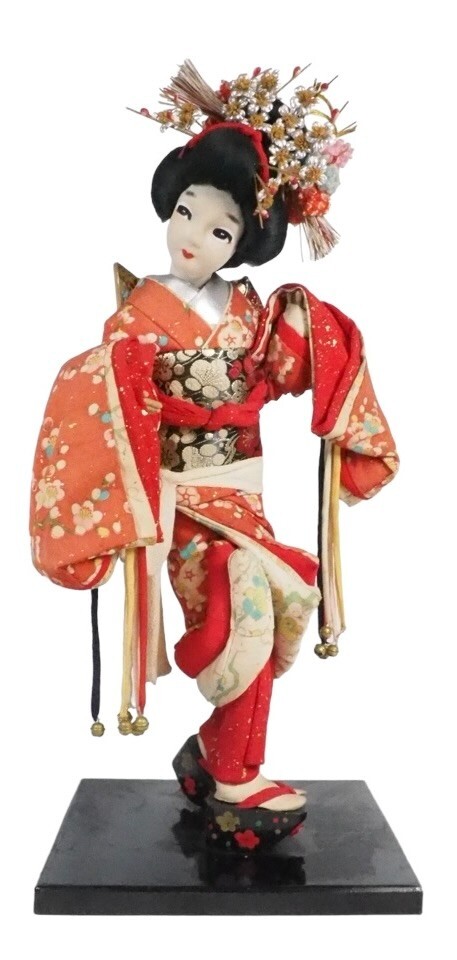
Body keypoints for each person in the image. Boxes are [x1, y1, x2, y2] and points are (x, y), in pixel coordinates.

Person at [30, 64, 398, 850]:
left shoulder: (251, 313)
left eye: (220, 231)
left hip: (243, 492)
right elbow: (103, 402)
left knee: (286, 592)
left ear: (242, 245)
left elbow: (293, 366)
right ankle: (234, 773)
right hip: (181, 497)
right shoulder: (136, 319)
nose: (193, 237)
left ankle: (212, 752)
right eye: (186, 212)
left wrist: (311, 327)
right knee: (245, 600)